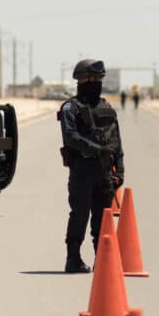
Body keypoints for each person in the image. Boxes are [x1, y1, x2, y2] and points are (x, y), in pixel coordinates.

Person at [58, 59, 125, 273]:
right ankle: (73, 258)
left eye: (100, 79)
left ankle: (103, 260)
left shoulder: (106, 108)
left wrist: (120, 169)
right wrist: (96, 149)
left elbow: (117, 141)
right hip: (82, 171)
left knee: (103, 218)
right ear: (81, 81)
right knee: (79, 215)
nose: (97, 83)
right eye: (93, 79)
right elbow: (70, 137)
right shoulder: (71, 108)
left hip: (104, 173)